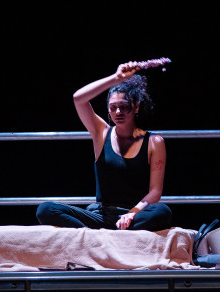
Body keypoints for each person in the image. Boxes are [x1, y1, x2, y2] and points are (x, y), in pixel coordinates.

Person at [36, 61, 172, 231]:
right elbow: (78, 99)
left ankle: (109, 234)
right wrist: (116, 78)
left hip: (134, 216)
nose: (118, 112)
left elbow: (155, 192)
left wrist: (132, 213)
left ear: (136, 107)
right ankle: (96, 237)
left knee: (162, 212)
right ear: (108, 110)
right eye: (113, 107)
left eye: (124, 107)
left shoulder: (154, 142)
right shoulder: (102, 133)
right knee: (46, 209)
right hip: (100, 215)